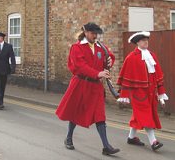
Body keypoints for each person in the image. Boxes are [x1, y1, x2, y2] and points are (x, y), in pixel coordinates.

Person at [55, 22, 120, 156]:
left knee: (100, 115)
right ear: (85, 32)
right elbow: (80, 66)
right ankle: (68, 137)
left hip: (95, 86)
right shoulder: (76, 48)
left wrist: (109, 62)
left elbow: (110, 57)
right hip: (80, 84)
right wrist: (98, 73)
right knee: (75, 111)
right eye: (93, 33)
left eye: (96, 33)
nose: (95, 36)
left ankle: (106, 146)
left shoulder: (100, 47)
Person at [117, 31, 168, 151]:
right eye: (143, 40)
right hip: (138, 93)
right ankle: (153, 141)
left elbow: (158, 76)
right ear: (137, 42)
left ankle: (131, 137)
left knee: (139, 115)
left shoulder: (152, 55)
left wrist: (160, 93)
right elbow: (125, 77)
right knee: (146, 116)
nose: (146, 42)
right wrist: (124, 95)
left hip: (151, 92)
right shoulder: (131, 57)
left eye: (147, 40)